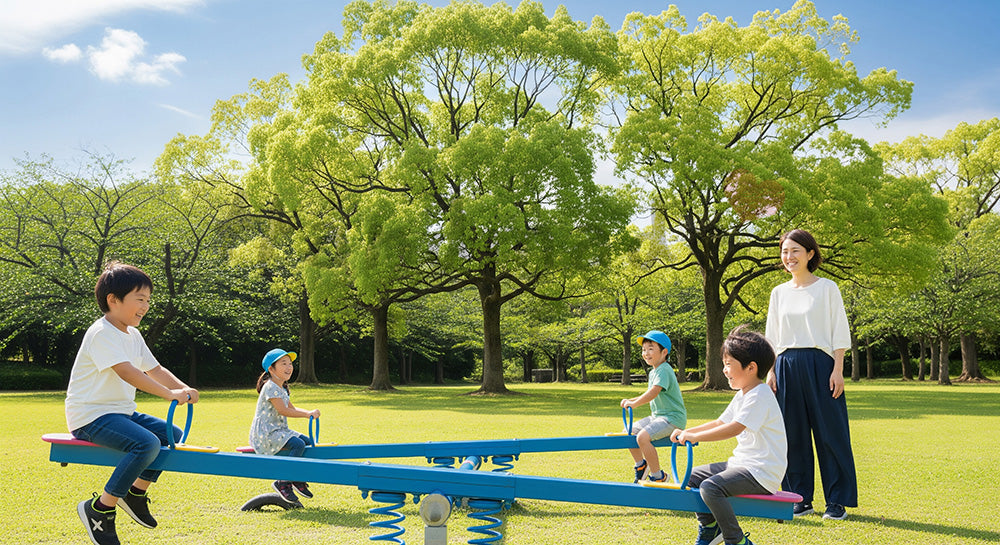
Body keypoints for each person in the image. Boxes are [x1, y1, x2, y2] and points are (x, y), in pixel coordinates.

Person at [66, 261, 199, 545]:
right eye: (140, 299)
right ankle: (100, 509)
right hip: (91, 416)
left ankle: (135, 494)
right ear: (113, 300)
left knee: (172, 434)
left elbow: (154, 369)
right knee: (147, 444)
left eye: (148, 300)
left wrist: (183, 388)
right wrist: (168, 395)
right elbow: (127, 371)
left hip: (120, 413)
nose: (146, 306)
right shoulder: (102, 333)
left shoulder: (132, 334)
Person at [765, 228, 858, 520]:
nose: (789, 257)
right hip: (785, 366)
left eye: (795, 251)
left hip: (821, 364)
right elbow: (771, 337)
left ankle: (837, 502)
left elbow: (839, 331)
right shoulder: (778, 293)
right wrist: (771, 371)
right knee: (792, 435)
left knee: (832, 434)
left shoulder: (827, 288)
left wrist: (838, 369)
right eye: (784, 251)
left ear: (810, 254)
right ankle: (799, 498)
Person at [671, 327, 784, 545]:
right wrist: (688, 432)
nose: (724, 370)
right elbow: (720, 422)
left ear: (751, 368)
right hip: (742, 465)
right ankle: (710, 527)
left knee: (710, 487)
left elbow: (734, 428)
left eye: (729, 364)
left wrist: (696, 438)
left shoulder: (760, 394)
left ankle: (736, 540)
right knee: (694, 477)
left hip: (761, 471)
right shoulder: (744, 394)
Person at [249, 348, 321, 503]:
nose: (289, 367)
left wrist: (309, 412)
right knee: (298, 444)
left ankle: (296, 477)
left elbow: (292, 409)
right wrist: (307, 414)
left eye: (290, 364)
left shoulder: (282, 387)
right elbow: (283, 410)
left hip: (279, 430)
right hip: (266, 433)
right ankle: (283, 481)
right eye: (283, 364)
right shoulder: (270, 386)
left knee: (307, 442)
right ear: (271, 369)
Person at [620, 330, 687, 483]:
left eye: (651, 349)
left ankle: (658, 476)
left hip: (672, 418)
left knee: (642, 437)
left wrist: (634, 403)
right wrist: (632, 400)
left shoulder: (664, 369)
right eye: (644, 349)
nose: (646, 353)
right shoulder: (654, 371)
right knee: (628, 432)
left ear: (664, 352)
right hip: (657, 416)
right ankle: (641, 465)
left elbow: (654, 392)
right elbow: (650, 392)